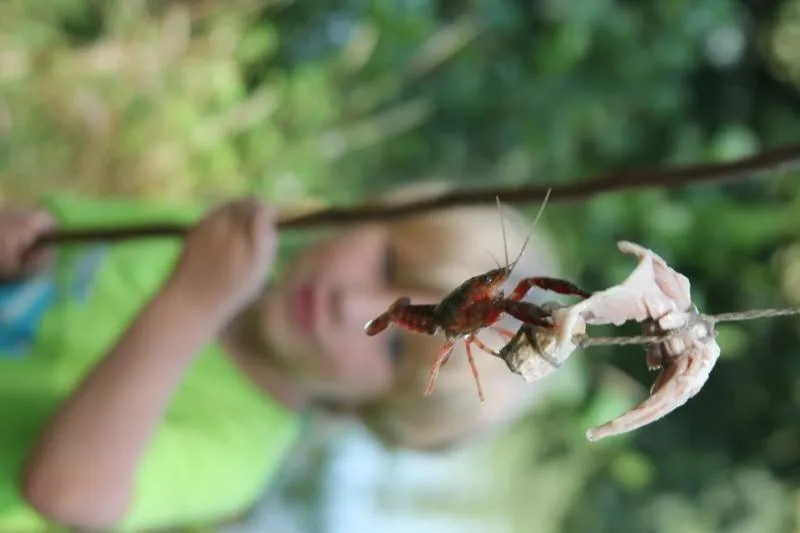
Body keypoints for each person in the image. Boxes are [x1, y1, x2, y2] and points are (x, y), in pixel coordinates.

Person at [0, 182, 568, 532]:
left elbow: (63, 490)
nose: (349, 304)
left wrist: (195, 300)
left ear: (364, 410)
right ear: (358, 216)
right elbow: (33, 239)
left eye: (396, 348)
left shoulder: (241, 453)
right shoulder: (204, 243)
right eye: (387, 263)